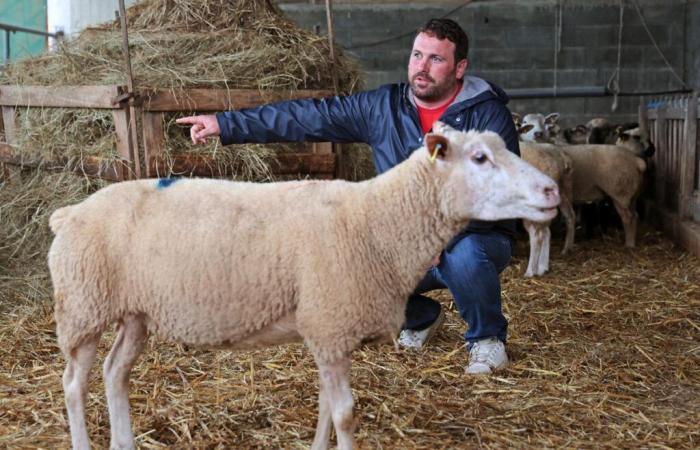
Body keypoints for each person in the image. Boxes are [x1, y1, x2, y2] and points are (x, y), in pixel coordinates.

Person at [176, 18, 519, 375]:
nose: (421, 67)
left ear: (459, 67)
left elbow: (497, 189)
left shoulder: (486, 114)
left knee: (464, 255)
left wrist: (440, 234)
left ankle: (487, 341)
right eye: (417, 55)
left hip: (477, 236)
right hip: (404, 246)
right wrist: (226, 124)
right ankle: (419, 319)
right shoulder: (384, 107)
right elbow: (308, 117)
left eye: (436, 59)